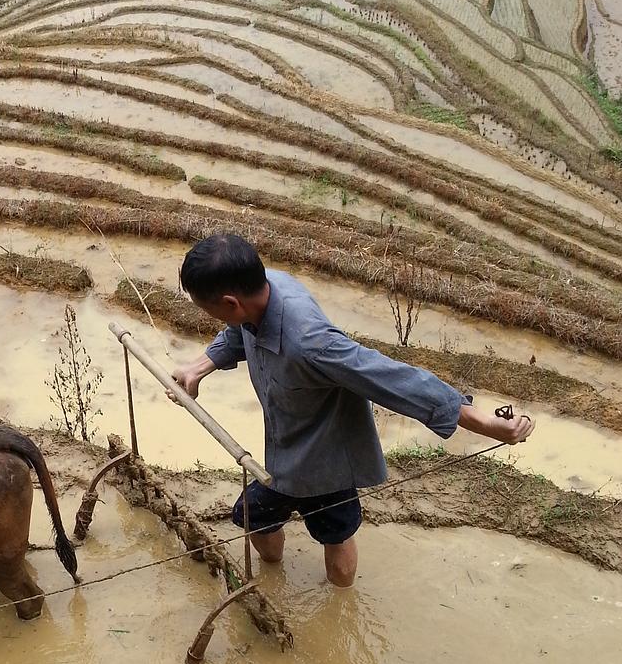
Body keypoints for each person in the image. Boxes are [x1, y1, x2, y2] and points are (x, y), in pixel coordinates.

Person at [171, 233, 534, 586]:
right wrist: (198, 367)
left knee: (335, 532)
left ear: (231, 302)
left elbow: (391, 378)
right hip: (284, 450)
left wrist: (483, 423)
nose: (213, 318)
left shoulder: (311, 342)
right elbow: (241, 331)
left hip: (328, 460)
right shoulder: (262, 290)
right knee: (253, 517)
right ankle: (274, 576)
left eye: (209, 309)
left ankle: (341, 602)